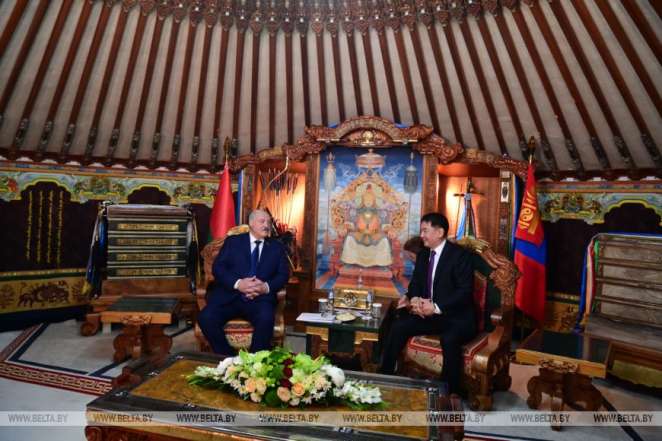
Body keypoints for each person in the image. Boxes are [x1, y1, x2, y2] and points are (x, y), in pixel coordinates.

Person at [379, 212, 476, 395]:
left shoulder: (460, 256)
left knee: (449, 339)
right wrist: (413, 298)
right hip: (430, 316)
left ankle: (448, 393)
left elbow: (464, 292)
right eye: (421, 231)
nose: (421, 235)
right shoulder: (424, 254)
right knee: (399, 325)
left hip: (457, 317)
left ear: (439, 232)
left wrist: (436, 307)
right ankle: (385, 378)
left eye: (425, 231)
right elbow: (416, 283)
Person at [198, 209, 289, 355]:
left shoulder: (276, 247)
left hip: (260, 299)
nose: (267, 225)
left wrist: (265, 287)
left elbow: (283, 275)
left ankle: (255, 362)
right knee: (206, 317)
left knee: (266, 318)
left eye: (268, 222)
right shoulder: (233, 242)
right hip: (229, 297)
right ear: (251, 223)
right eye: (262, 221)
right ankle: (227, 358)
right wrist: (238, 284)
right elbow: (218, 268)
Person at [340, 184, 392, 267]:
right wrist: (346, 227)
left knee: (384, 240)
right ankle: (350, 261)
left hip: (374, 234)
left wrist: (388, 229)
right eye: (366, 199)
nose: (368, 201)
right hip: (360, 233)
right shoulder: (358, 211)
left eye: (370, 199)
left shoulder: (379, 211)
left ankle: (382, 263)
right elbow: (352, 223)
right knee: (349, 238)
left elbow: (383, 224)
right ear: (362, 200)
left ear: (374, 200)